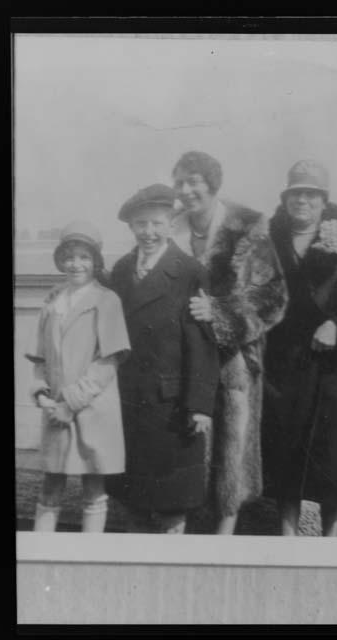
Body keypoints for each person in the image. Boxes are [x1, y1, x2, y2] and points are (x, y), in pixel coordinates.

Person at [262, 160, 337, 536]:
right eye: (296, 193)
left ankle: (328, 541)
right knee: (285, 455)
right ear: (284, 200)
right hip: (285, 366)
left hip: (335, 368)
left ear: (323, 200)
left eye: (311, 194)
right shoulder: (268, 241)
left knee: (332, 457)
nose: (303, 201)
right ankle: (287, 540)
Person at [171, 151, 288, 535]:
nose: (186, 191)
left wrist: (219, 312)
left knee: (230, 451)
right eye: (180, 183)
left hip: (233, 360)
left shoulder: (247, 228)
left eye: (194, 182)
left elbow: (272, 296)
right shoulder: (170, 229)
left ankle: (224, 540)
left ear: (211, 183)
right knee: (187, 447)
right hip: (183, 358)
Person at [107, 183, 219, 534]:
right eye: (141, 225)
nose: (149, 233)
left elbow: (203, 344)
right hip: (129, 401)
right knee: (134, 502)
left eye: (157, 223)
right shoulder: (123, 270)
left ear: (171, 224)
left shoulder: (189, 272)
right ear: (131, 228)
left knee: (173, 506)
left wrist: (200, 404)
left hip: (172, 407)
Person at [25, 220, 131, 533]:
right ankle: (41, 555)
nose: (76, 264)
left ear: (96, 262)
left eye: (84, 257)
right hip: (55, 410)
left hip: (92, 409)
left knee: (93, 486)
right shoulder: (53, 302)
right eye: (70, 257)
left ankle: (90, 555)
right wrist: (42, 394)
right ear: (61, 261)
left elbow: (108, 361)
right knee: (51, 484)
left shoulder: (106, 300)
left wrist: (70, 403)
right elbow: (40, 358)